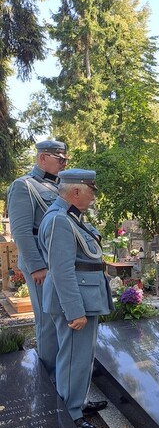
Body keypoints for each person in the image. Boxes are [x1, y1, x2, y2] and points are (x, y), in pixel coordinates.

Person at [38, 169, 114, 428]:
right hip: (75, 302)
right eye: (91, 192)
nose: (93, 198)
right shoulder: (60, 220)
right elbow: (62, 270)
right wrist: (74, 311)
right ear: (77, 191)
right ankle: (70, 414)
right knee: (72, 358)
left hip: (84, 298)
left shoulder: (70, 218)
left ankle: (77, 401)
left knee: (81, 357)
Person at [7, 140, 68, 379]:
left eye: (65, 159)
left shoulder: (62, 186)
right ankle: (50, 380)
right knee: (48, 321)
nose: (64, 163)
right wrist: (36, 266)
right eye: (60, 159)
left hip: (62, 262)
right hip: (42, 265)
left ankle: (66, 378)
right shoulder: (24, 186)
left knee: (65, 318)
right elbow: (21, 231)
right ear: (42, 158)